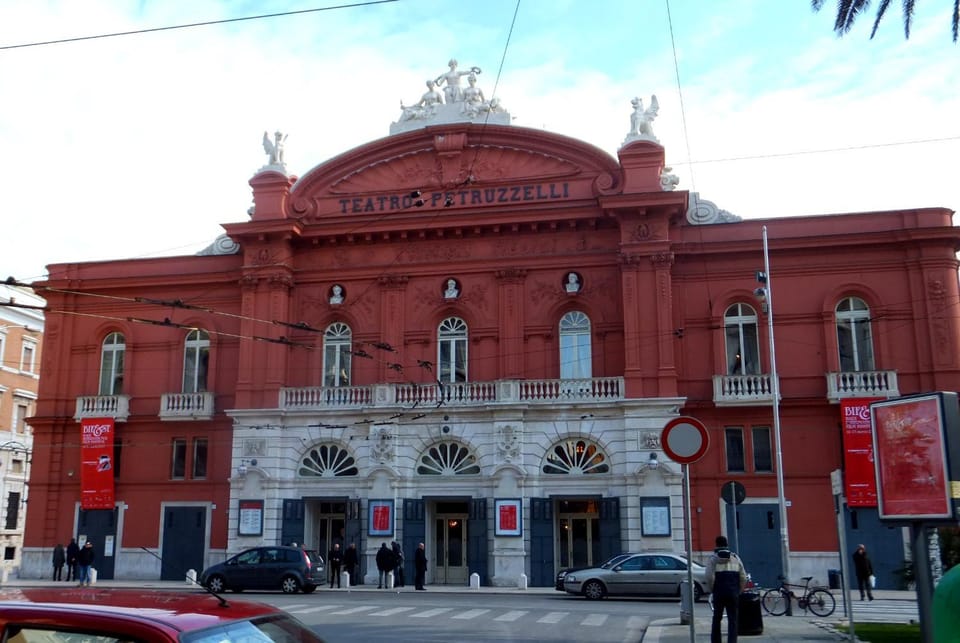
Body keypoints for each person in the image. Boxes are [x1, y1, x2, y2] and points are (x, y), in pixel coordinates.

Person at [705, 535, 747, 643]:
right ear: (727, 544)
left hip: (719, 593)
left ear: (716, 544)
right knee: (733, 620)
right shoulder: (735, 558)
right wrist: (739, 590)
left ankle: (716, 641)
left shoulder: (713, 559)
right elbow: (743, 577)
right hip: (733, 593)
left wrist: (712, 589)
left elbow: (709, 577)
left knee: (717, 618)